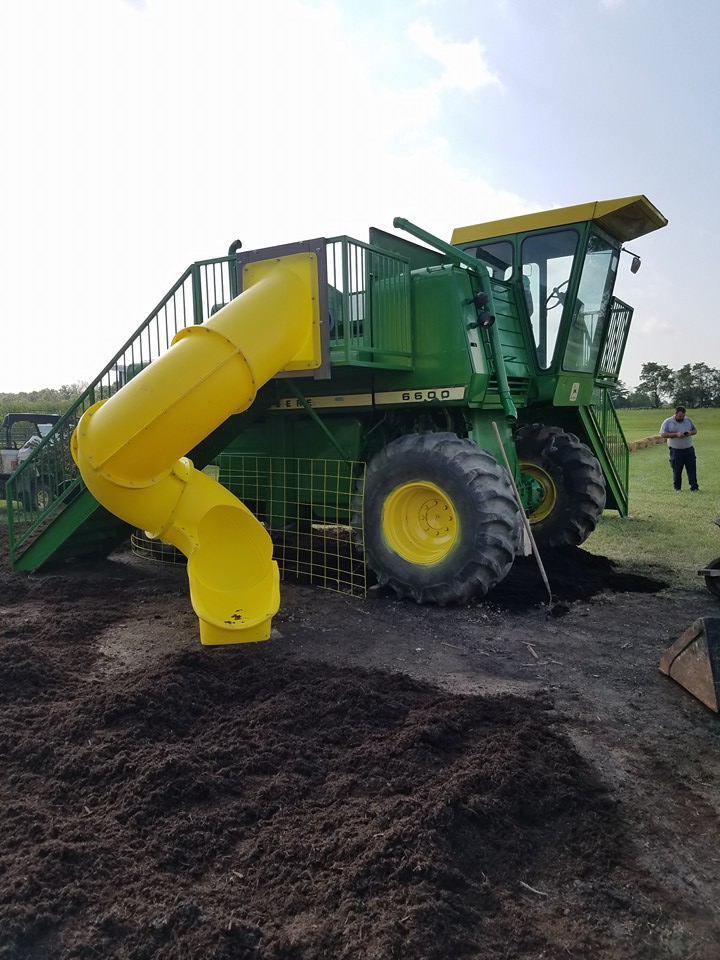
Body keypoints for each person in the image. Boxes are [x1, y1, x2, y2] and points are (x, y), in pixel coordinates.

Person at [660, 405, 699, 492]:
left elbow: (695, 430)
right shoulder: (668, 422)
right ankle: (677, 488)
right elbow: (662, 434)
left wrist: (689, 433)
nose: (681, 418)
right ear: (675, 414)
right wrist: (676, 434)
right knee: (677, 469)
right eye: (680, 416)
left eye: (683, 416)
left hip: (688, 449)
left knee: (691, 468)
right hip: (676, 450)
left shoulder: (688, 420)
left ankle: (694, 487)